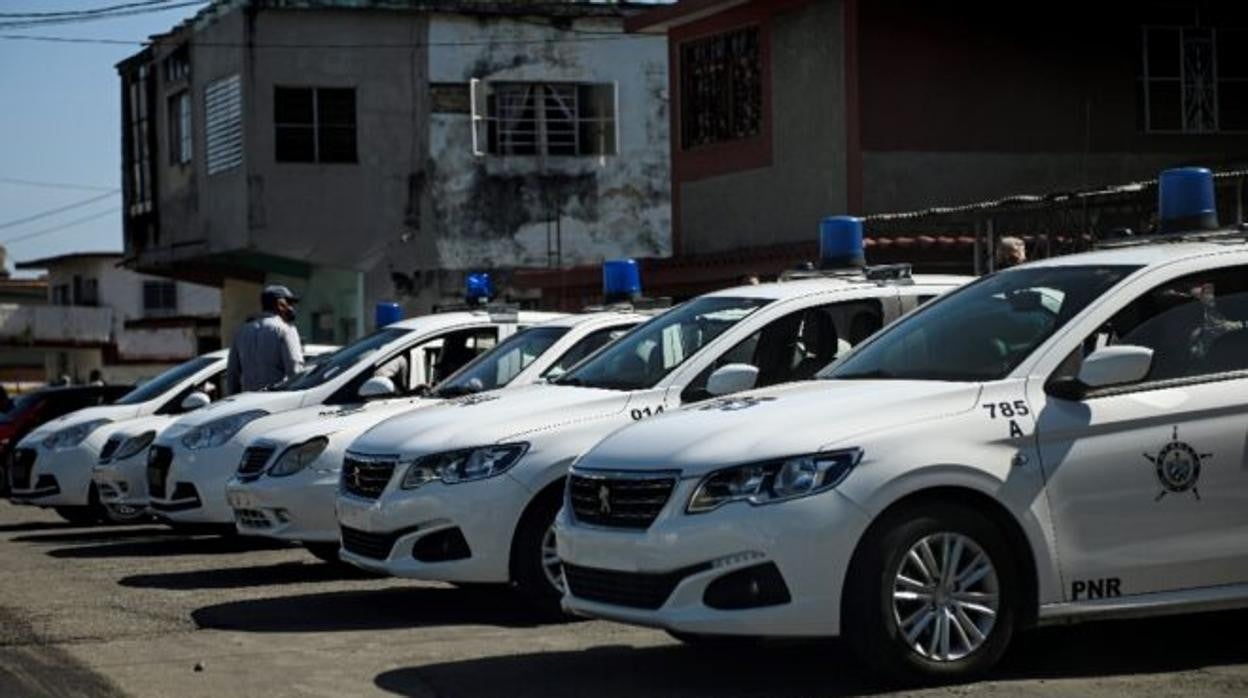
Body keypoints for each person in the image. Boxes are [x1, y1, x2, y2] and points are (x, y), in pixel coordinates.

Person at [226, 285, 304, 394]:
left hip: (247, 401)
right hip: (277, 401)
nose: (291, 308)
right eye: (289, 304)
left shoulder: (241, 332)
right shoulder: (286, 330)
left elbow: (232, 374)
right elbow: (295, 371)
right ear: (280, 304)